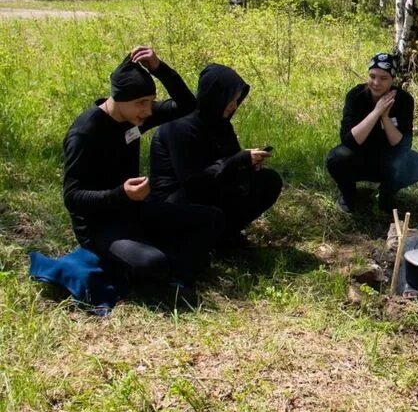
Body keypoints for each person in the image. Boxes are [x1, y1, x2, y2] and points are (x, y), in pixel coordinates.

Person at [62, 47, 223, 292]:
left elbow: (188, 106)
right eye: (141, 103)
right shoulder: (85, 133)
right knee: (152, 263)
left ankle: (171, 270)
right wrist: (120, 194)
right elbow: (72, 198)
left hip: (134, 210)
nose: (148, 111)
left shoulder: (135, 118)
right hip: (99, 226)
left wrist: (160, 69)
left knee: (212, 218)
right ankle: (169, 268)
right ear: (118, 98)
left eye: (151, 102)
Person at [149, 63, 282, 250]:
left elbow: (229, 165)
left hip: (210, 188)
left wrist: (249, 164)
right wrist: (238, 161)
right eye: (231, 100)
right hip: (176, 200)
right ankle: (206, 238)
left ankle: (225, 236)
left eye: (237, 100)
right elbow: (193, 182)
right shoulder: (180, 129)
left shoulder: (221, 125)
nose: (234, 106)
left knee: (268, 180)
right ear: (216, 97)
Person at [325, 53, 418, 213]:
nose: (376, 83)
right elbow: (349, 140)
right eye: (372, 76)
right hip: (357, 157)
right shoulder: (356, 96)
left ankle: (386, 194)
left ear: (393, 79)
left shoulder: (404, 100)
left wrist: (385, 118)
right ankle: (348, 194)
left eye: (383, 78)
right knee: (336, 157)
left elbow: (403, 146)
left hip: (388, 161)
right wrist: (376, 112)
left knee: (417, 163)